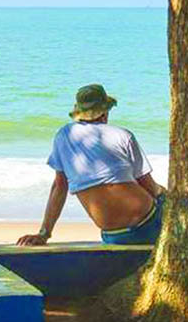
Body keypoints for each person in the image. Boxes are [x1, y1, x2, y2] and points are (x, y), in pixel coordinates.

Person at [17, 84, 166, 247]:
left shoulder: (64, 136)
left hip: (114, 235)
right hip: (149, 223)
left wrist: (44, 234)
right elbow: (150, 186)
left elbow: (59, 187)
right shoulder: (123, 135)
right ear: (105, 111)